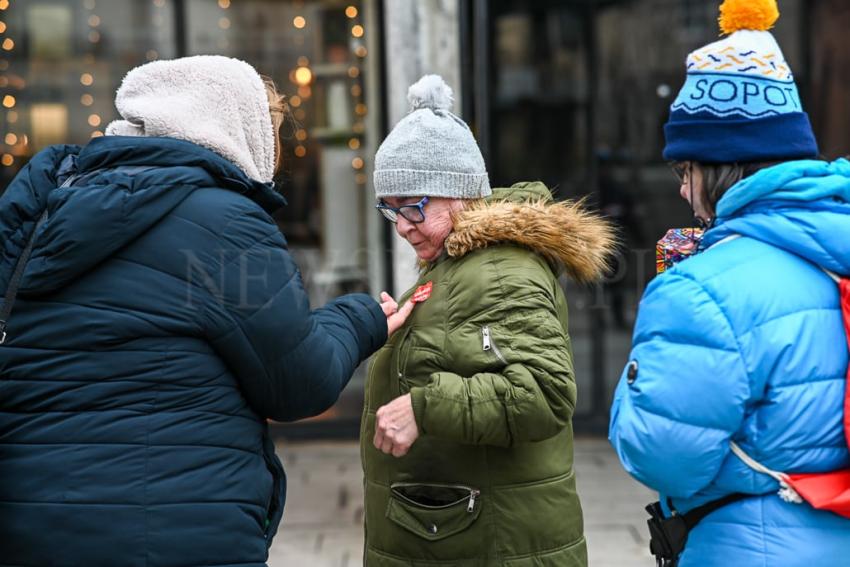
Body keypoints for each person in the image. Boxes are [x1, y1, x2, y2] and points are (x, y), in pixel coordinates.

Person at [0, 55, 409, 567]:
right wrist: (359, 318)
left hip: (30, 523)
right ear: (236, 130)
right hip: (176, 527)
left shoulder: (40, 210)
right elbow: (298, 382)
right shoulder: (225, 223)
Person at [609, 1, 850, 565]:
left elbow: (658, 453)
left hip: (749, 546)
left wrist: (642, 368)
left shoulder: (698, 290)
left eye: (683, 172)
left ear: (716, 168)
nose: (682, 194)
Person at [360, 74, 616, 566]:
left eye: (415, 207)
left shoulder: (499, 269)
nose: (405, 227)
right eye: (391, 211)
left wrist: (425, 406)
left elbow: (544, 392)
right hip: (460, 538)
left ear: (458, 193)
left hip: (490, 543)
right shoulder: (458, 262)